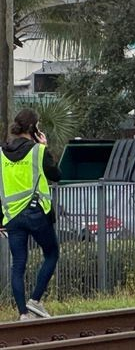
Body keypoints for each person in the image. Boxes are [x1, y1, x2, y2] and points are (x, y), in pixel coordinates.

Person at [2, 109, 60, 321]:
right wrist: (45, 148)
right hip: (36, 212)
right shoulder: (38, 151)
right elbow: (56, 176)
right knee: (52, 253)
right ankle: (35, 301)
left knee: (18, 263)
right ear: (34, 128)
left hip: (12, 216)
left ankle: (23, 314)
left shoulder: (1, 153)